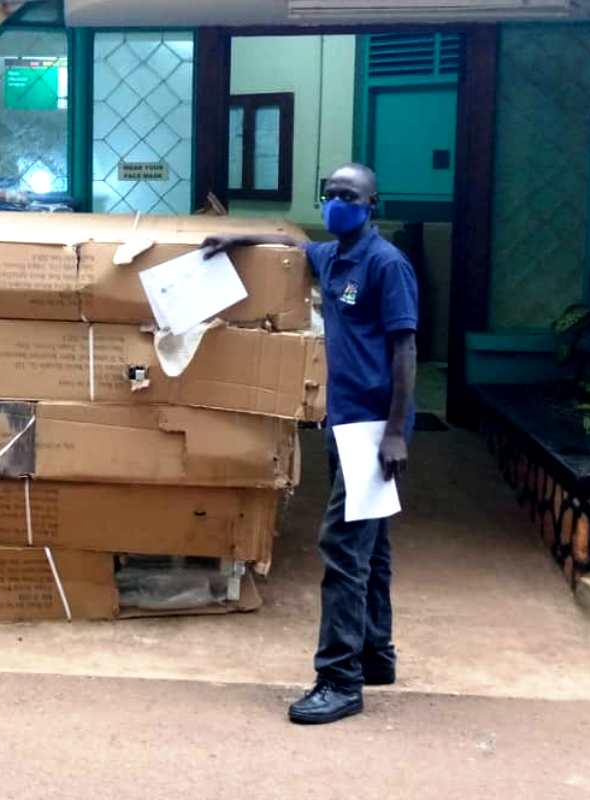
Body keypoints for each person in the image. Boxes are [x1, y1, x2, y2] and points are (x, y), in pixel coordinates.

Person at [203, 164, 417, 725]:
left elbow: (405, 350)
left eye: (348, 195)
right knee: (373, 546)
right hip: (342, 421)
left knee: (343, 550)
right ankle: (376, 654)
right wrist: (238, 237)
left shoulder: (385, 264)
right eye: (329, 195)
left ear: (373, 202)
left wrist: (395, 432)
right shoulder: (334, 256)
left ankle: (339, 680)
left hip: (373, 427)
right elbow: (292, 241)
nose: (336, 203)